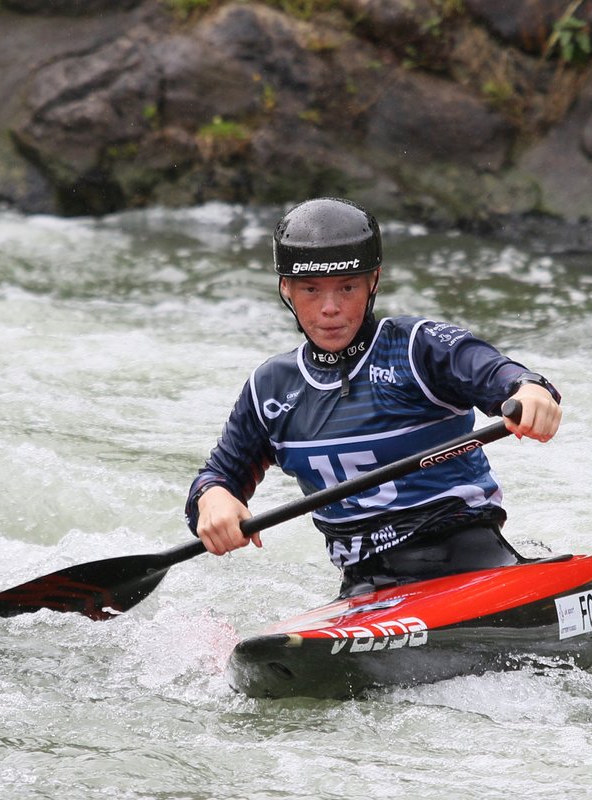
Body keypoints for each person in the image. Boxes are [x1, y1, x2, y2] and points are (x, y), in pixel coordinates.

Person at [185, 197, 562, 597]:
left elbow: (501, 376)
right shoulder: (270, 388)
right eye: (311, 290)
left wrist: (530, 390)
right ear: (286, 289)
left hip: (474, 566)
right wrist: (213, 499)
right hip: (365, 589)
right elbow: (218, 476)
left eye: (347, 287)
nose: (330, 308)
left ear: (374, 282)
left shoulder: (419, 347)